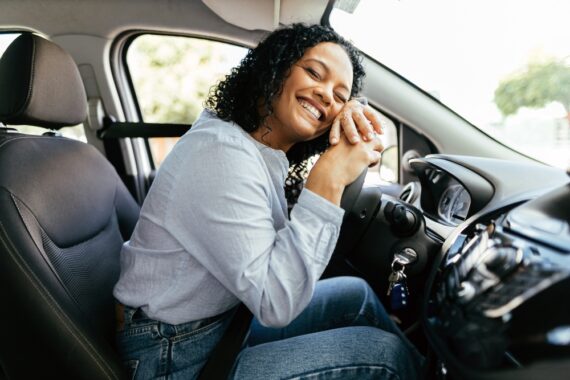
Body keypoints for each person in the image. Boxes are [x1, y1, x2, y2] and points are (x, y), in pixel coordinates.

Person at [113, 23, 423, 379]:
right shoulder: (222, 153)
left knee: (356, 295)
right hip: (172, 352)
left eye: (340, 96)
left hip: (218, 323)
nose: (326, 96)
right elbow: (276, 303)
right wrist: (329, 178)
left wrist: (354, 109)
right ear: (272, 68)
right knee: (383, 356)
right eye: (313, 72)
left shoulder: (255, 145)